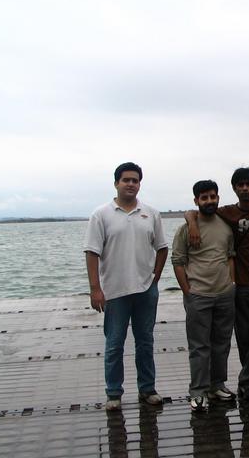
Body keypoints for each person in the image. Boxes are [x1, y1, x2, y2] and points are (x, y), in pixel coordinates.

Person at [185, 167, 249, 401]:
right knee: (244, 337)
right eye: (240, 185)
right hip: (239, 287)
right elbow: (194, 212)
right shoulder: (226, 213)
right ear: (234, 189)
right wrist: (191, 222)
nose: (245, 188)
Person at [84, 162, 168, 411]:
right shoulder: (101, 214)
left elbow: (162, 247)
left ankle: (147, 389)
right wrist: (95, 289)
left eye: (135, 180)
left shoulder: (150, 213)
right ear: (116, 183)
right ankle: (113, 393)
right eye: (126, 180)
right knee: (114, 344)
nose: (130, 184)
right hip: (114, 291)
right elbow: (91, 252)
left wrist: (156, 275)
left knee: (145, 342)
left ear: (139, 184)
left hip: (145, 290)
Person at [172, 180, 237, 412]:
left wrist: (231, 283)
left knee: (221, 344)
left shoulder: (226, 225)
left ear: (218, 197)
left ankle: (217, 385)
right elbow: (178, 261)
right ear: (196, 201)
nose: (209, 201)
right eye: (204, 197)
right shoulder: (186, 228)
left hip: (224, 294)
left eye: (213, 196)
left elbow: (230, 255)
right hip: (198, 295)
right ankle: (198, 391)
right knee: (200, 346)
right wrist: (187, 291)